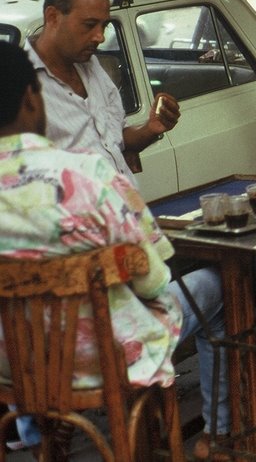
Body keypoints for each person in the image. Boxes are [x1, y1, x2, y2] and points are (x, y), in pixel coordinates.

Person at [0, 41, 230, 461]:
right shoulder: (88, 176)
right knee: (217, 287)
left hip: (13, 367)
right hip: (101, 359)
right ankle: (219, 438)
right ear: (31, 99)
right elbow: (152, 277)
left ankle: (41, 437)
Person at [26, 0, 180, 182]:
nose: (100, 37)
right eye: (89, 25)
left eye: (104, 26)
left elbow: (115, 139)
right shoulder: (19, 83)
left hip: (124, 209)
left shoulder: (90, 66)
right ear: (53, 17)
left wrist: (151, 129)